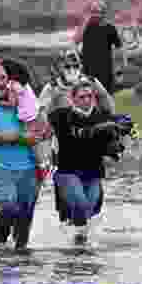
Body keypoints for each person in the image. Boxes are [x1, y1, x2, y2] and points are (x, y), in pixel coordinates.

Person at [0, 61, 47, 251]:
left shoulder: (22, 97)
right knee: (9, 207)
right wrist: (21, 138)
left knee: (25, 218)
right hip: (1, 167)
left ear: (9, 79)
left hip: (30, 168)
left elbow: (41, 128)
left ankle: (21, 260)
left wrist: (39, 130)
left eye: (2, 77)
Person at [48, 78, 130, 245]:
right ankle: (76, 245)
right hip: (67, 171)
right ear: (72, 98)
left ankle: (78, 247)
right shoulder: (61, 116)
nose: (86, 100)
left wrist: (122, 140)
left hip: (93, 173)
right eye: (81, 97)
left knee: (89, 213)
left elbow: (123, 135)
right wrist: (51, 91)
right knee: (81, 204)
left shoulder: (102, 116)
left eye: (89, 96)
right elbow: (41, 115)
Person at [38, 49, 115, 225]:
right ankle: (69, 225)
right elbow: (40, 112)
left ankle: (83, 232)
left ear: (81, 66)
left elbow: (108, 105)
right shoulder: (52, 87)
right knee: (69, 202)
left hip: (90, 144)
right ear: (60, 67)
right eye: (67, 66)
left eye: (75, 65)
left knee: (93, 203)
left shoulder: (90, 83)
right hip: (63, 145)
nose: (71, 69)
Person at [0, 58, 52, 179]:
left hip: (30, 116)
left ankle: (42, 166)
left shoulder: (13, 85)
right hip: (35, 112)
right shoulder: (23, 84)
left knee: (33, 141)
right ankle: (42, 164)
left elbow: (12, 103)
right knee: (35, 142)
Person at [73, 2, 123, 94]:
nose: (96, 15)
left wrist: (118, 70)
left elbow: (119, 48)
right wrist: (78, 60)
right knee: (89, 96)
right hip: (88, 71)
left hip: (105, 71)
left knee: (106, 97)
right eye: (94, 12)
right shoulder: (86, 27)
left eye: (99, 12)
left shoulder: (110, 28)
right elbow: (75, 43)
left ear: (104, 14)